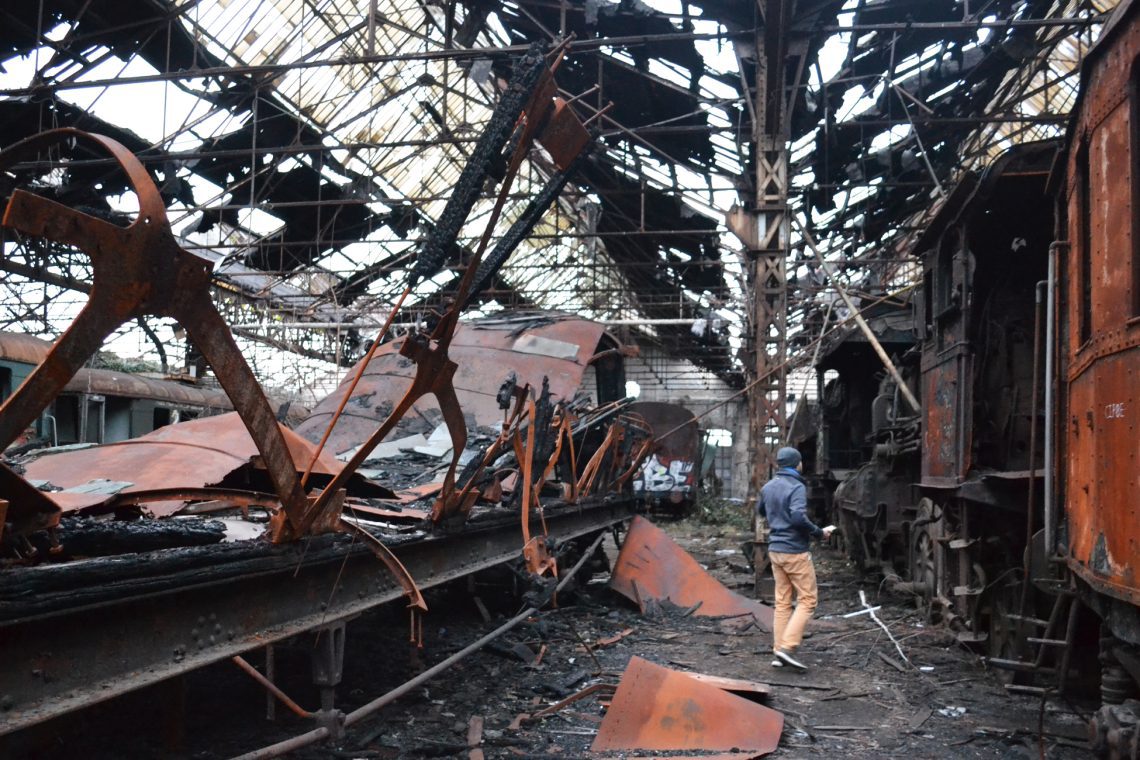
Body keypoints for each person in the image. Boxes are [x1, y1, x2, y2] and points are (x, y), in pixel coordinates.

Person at [756, 446, 833, 670]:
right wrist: (819, 532)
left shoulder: (768, 487)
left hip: (776, 550)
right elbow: (799, 517)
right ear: (797, 464)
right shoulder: (797, 486)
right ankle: (788, 647)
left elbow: (762, 511)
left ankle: (778, 649)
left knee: (782, 602)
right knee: (808, 600)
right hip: (795, 550)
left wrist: (777, 517)